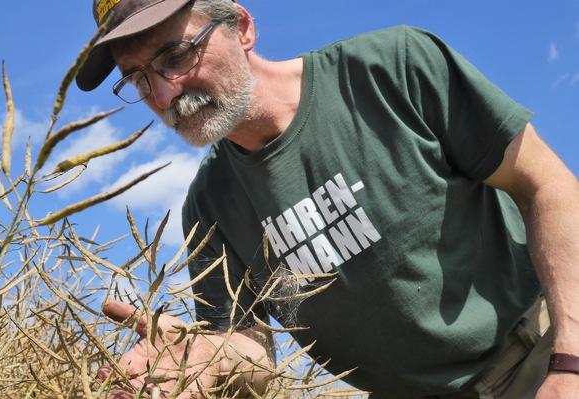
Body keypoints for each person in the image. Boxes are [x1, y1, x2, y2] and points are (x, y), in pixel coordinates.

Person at [75, 0, 579, 398]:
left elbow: (547, 185)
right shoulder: (209, 206)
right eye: (139, 77)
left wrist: (569, 360)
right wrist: (210, 355)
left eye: (176, 56)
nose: (163, 96)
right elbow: (255, 360)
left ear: (242, 28)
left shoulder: (391, 69)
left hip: (542, 346)